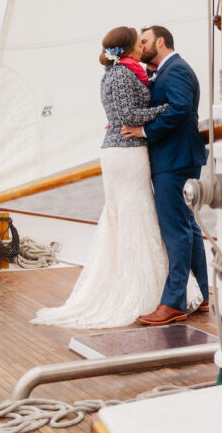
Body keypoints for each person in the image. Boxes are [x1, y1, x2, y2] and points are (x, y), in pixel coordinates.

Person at [31, 26, 171, 329]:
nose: (142, 44)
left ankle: (144, 285)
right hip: (126, 151)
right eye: (138, 40)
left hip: (120, 152)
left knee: (131, 215)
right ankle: (140, 292)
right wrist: (164, 108)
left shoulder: (122, 71)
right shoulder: (122, 74)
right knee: (135, 214)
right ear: (130, 47)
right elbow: (126, 116)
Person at [121, 25, 210, 326]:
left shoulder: (176, 71)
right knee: (188, 226)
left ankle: (173, 303)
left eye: (144, 41)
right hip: (179, 157)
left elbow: (180, 110)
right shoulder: (168, 70)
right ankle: (205, 293)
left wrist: (143, 130)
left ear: (160, 41)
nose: (141, 46)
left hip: (174, 160)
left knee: (175, 230)